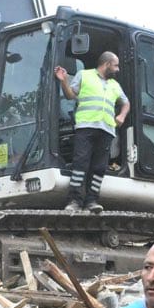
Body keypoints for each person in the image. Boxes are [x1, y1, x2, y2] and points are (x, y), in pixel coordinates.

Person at [53, 50, 128, 213]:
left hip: (106, 130)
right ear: (106, 64)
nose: (118, 69)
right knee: (81, 164)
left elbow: (126, 103)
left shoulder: (115, 85)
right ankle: (74, 201)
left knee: (99, 167)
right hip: (86, 127)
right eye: (116, 66)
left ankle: (92, 201)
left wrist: (121, 115)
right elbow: (70, 95)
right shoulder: (84, 75)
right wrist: (64, 80)